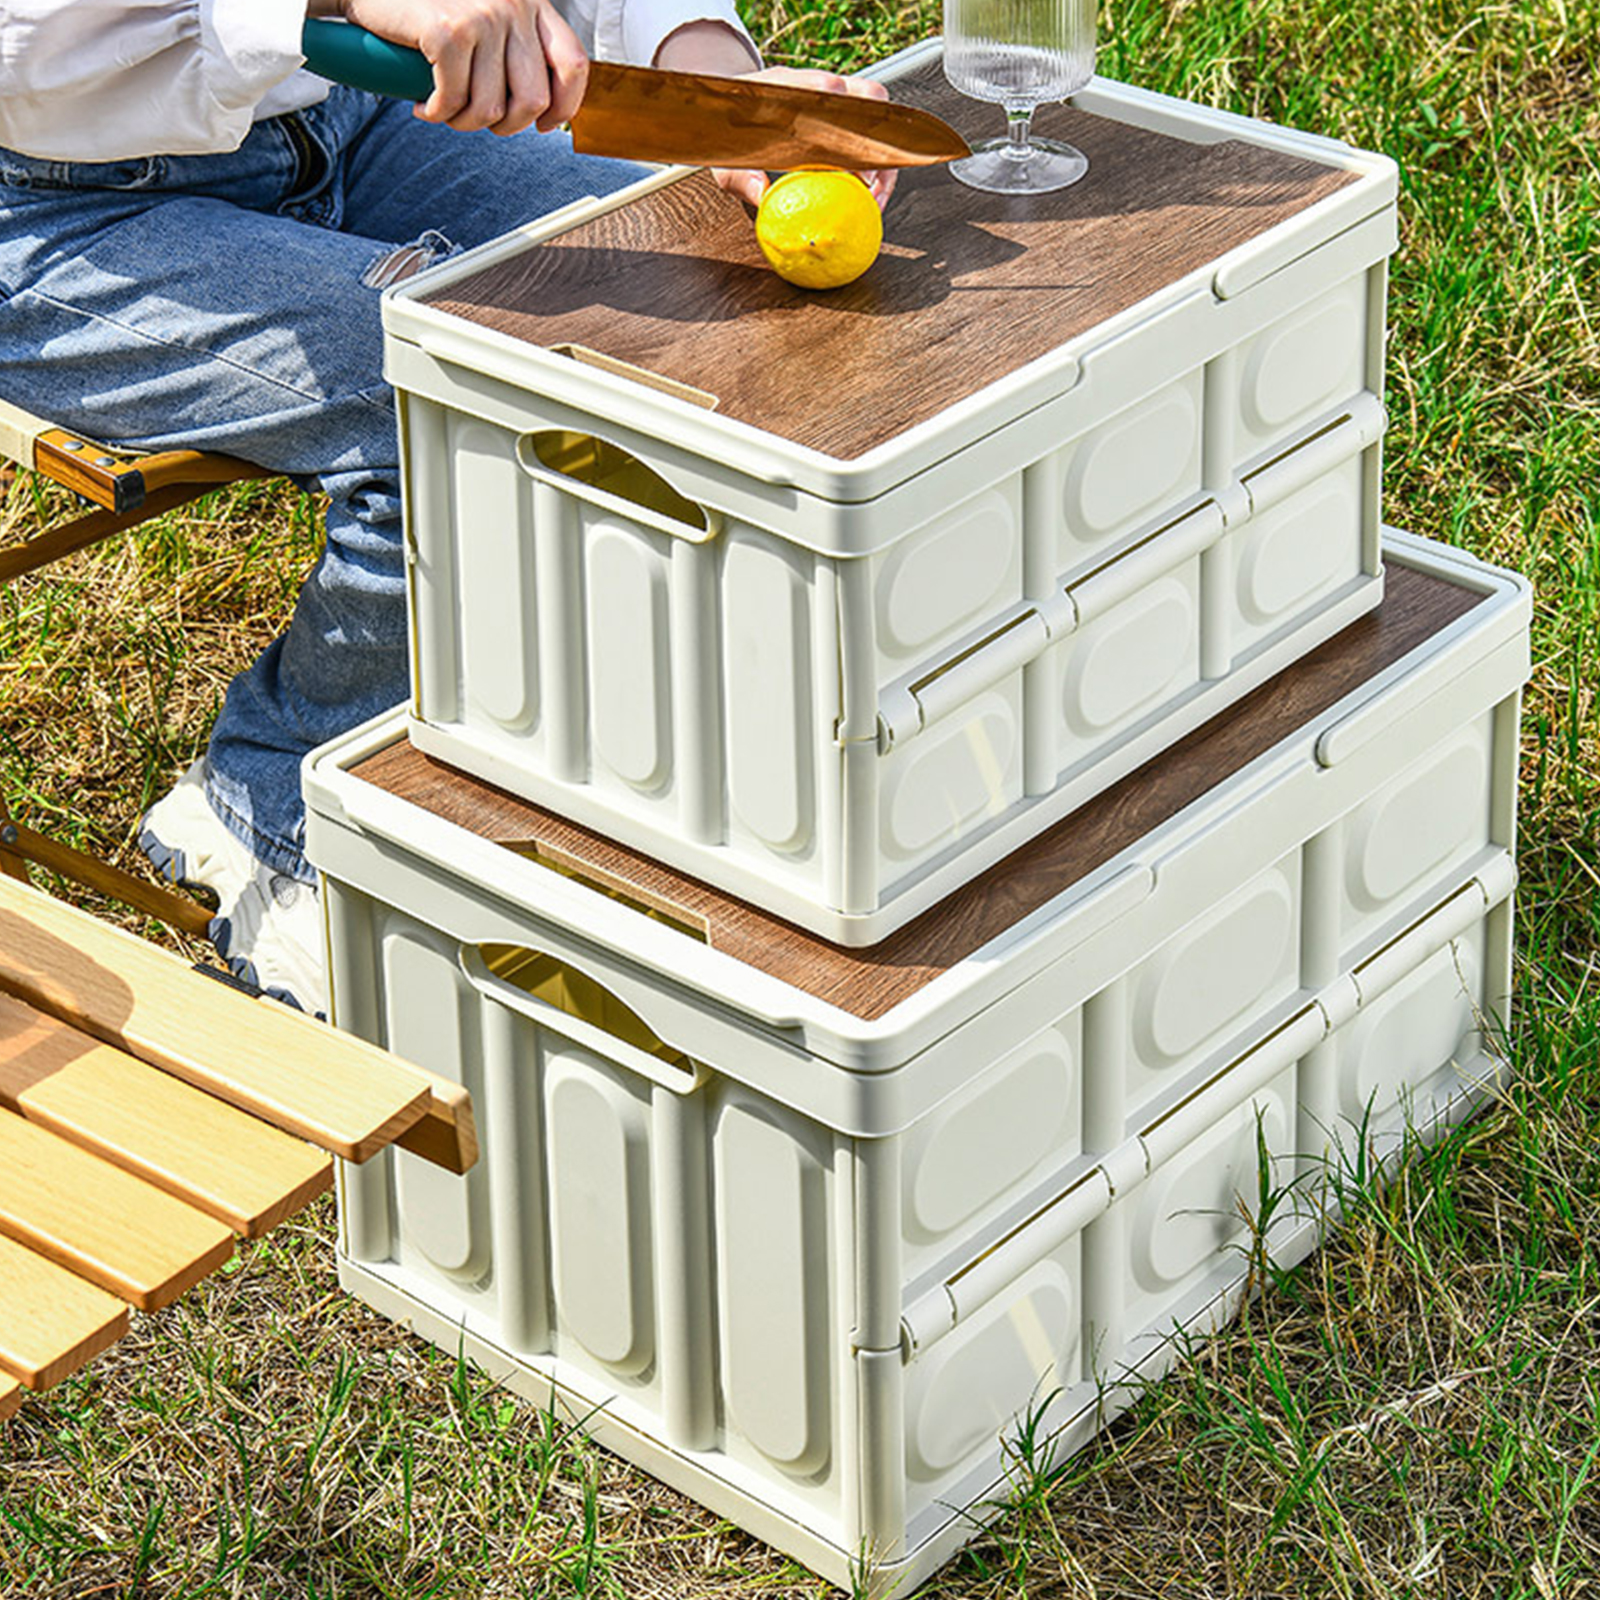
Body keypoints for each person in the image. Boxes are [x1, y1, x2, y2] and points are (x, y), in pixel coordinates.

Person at [0, 0, 892, 1015]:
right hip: (52, 202)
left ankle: (584, 745)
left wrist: (720, 97)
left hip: (351, 115)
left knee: (694, 277)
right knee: (444, 396)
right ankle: (272, 797)